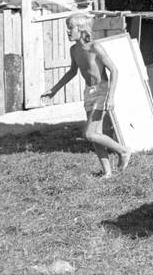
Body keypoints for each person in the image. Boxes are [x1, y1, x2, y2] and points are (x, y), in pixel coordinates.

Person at [42, 13, 132, 177]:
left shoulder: (95, 47)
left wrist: (111, 97)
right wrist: (54, 89)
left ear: (82, 29)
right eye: (67, 28)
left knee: (89, 134)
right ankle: (107, 172)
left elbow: (114, 70)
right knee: (94, 135)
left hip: (102, 90)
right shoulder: (74, 50)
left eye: (71, 28)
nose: (68, 32)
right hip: (88, 91)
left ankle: (123, 150)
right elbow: (72, 72)